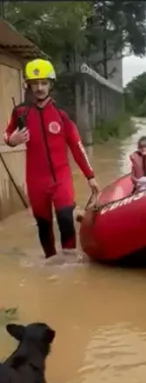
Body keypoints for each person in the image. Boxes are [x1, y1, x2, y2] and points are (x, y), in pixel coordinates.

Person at [3, 59, 99, 259]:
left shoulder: (62, 115)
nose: (39, 88)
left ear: (50, 84)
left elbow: (77, 147)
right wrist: (12, 140)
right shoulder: (20, 112)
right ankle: (51, 263)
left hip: (61, 178)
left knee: (65, 218)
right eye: (35, 83)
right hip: (36, 180)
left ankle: (70, 264)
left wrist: (90, 176)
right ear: (28, 85)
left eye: (44, 83)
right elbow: (6, 134)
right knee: (43, 224)